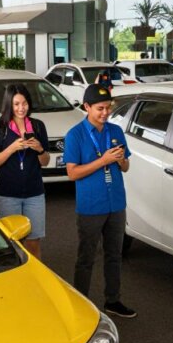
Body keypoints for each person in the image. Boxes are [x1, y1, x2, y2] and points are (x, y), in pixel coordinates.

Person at [64, 83, 135, 319]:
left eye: (108, 108)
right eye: (100, 108)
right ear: (87, 107)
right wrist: (103, 160)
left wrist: (120, 160)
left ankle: (113, 300)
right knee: (86, 257)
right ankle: (80, 302)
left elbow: (125, 167)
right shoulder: (76, 135)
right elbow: (72, 173)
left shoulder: (115, 132)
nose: (105, 113)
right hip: (91, 205)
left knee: (114, 255)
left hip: (115, 202)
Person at [0, 84, 50, 259]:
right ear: (9, 104)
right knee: (12, 241)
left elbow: (45, 161)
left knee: (34, 240)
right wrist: (11, 148)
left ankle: (34, 280)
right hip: (7, 194)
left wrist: (39, 149)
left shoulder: (37, 126)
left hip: (34, 193)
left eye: (24, 103)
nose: (21, 108)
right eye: (16, 104)